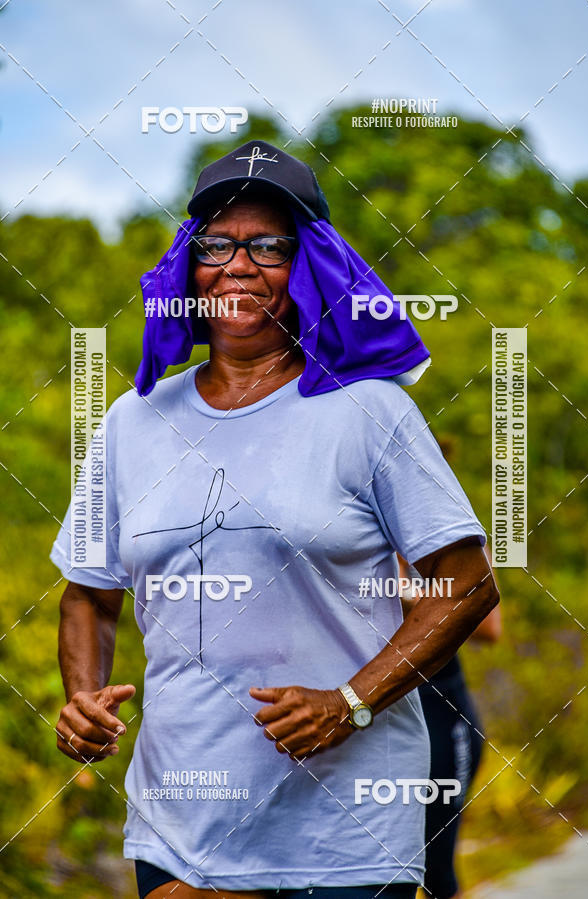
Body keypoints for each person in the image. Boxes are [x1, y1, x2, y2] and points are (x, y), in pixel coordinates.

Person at [51, 140, 499, 899]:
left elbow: (467, 584)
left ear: (309, 268)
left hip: (347, 823)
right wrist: (83, 694)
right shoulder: (133, 421)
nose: (238, 264)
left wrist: (348, 702)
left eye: (268, 245)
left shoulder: (370, 410)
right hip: (183, 813)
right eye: (217, 244)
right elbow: (90, 591)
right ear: (189, 268)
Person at [399, 547, 501, 899]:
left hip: (442, 713)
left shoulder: (440, 523)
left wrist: (403, 596)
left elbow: (491, 626)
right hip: (377, 721)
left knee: (437, 873)